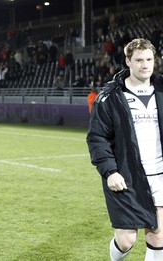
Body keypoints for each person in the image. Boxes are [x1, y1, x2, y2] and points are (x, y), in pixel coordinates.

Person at [87, 38, 163, 260]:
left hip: (159, 174)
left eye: (149, 59)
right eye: (139, 60)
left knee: (158, 238)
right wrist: (110, 171)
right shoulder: (110, 97)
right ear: (128, 61)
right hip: (124, 175)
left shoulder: (161, 90)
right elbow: (97, 137)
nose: (145, 65)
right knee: (126, 240)